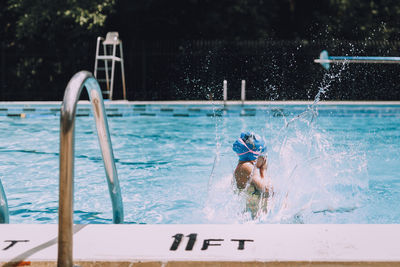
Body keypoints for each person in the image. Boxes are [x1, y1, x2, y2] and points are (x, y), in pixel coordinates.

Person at [232, 132, 272, 216]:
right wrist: (263, 170)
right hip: (252, 216)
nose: (265, 159)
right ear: (256, 156)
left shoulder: (242, 167)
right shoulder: (247, 167)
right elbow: (267, 190)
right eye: (264, 156)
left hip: (250, 213)